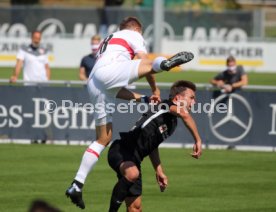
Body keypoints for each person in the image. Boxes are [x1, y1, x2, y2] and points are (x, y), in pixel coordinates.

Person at [65, 16, 194, 209]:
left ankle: (77, 184)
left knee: (103, 139)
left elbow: (113, 88)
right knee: (152, 64)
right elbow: (144, 61)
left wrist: (143, 98)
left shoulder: (108, 41)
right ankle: (166, 64)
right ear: (137, 29)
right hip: (109, 72)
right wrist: (155, 90)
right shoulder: (132, 34)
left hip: (94, 83)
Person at [107, 80, 202, 212]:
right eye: (191, 98)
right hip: (121, 150)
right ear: (178, 98)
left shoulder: (172, 122)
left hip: (134, 160)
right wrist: (198, 140)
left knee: (135, 208)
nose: (194, 102)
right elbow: (185, 115)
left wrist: (159, 170)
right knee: (132, 173)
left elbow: (152, 145)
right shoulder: (165, 105)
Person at [10, 30, 51, 144]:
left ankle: (43, 135)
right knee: (32, 111)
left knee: (42, 112)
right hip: (29, 85)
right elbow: (19, 63)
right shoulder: (24, 50)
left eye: (39, 37)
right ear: (31, 38)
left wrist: (47, 80)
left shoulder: (44, 51)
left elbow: (47, 67)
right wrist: (15, 75)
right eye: (35, 37)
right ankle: (33, 135)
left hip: (42, 86)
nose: (37, 39)